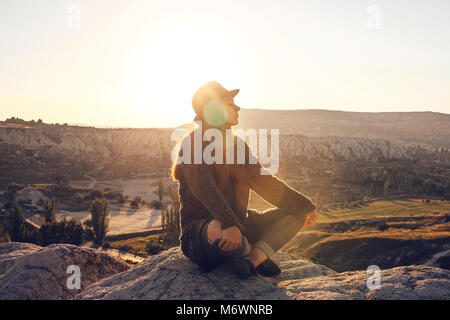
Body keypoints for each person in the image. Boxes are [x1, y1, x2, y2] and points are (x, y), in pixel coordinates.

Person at [171, 81, 318, 279]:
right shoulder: (192, 144)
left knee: (298, 213)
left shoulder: (238, 146)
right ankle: (253, 251)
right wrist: (229, 224)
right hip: (201, 236)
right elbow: (205, 190)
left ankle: (251, 260)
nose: (238, 107)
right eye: (231, 104)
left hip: (239, 226)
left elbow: (265, 182)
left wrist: (304, 205)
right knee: (216, 227)